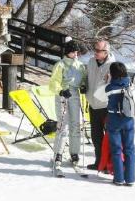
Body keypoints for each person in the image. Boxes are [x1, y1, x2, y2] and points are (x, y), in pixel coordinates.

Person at [47, 39, 86, 176]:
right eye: (73, 51)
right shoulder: (60, 65)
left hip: (75, 95)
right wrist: (61, 91)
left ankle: (74, 153)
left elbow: (83, 79)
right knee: (63, 125)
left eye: (77, 52)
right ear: (67, 52)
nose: (75, 54)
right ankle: (58, 153)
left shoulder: (80, 66)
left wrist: (83, 86)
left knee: (76, 124)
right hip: (63, 96)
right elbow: (53, 83)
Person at [85, 38, 115, 171]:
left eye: (98, 50)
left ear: (106, 52)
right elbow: (86, 77)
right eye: (94, 49)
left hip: (106, 105)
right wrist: (83, 85)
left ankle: (109, 165)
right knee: (96, 137)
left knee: (109, 137)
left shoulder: (112, 65)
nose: (95, 53)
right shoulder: (91, 61)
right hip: (93, 104)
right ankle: (99, 162)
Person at [104, 61, 135, 186]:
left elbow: (100, 97)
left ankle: (118, 178)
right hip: (129, 120)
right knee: (129, 149)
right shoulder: (130, 84)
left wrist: (107, 81)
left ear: (112, 74)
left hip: (114, 121)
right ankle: (130, 179)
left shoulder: (110, 88)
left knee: (117, 149)